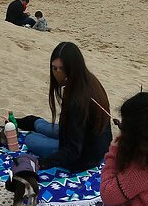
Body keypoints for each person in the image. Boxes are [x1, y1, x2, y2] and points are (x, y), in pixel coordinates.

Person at [17, 42, 112, 171]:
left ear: (71, 68)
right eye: (54, 68)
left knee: (31, 139)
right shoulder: (88, 79)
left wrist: (42, 163)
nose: (56, 73)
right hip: (87, 136)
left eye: (61, 68)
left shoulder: (78, 99)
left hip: (86, 152)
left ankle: (28, 128)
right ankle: (19, 122)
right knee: (42, 126)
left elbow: (73, 151)